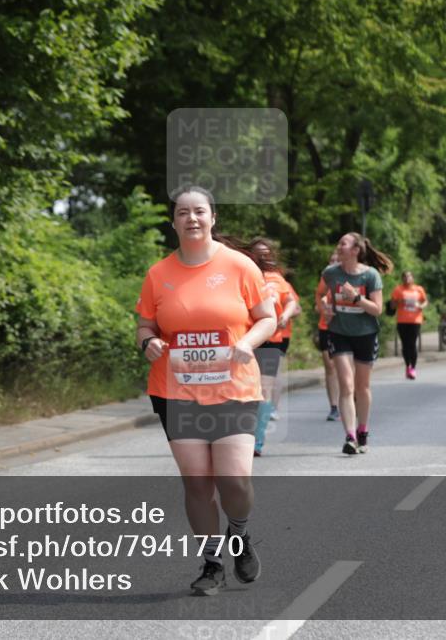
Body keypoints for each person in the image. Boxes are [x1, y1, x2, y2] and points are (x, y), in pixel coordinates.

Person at [135, 186, 276, 595]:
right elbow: (144, 325)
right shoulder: (158, 274)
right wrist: (149, 342)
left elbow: (266, 318)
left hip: (233, 387)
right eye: (183, 212)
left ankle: (240, 534)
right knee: (197, 484)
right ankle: (212, 564)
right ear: (173, 221)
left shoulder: (239, 266)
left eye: (199, 211)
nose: (191, 218)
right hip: (177, 391)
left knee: (234, 481)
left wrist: (246, 343)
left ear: (213, 217)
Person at [321, 233, 393, 455]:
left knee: (362, 387)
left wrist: (356, 298)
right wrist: (325, 308)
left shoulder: (370, 275)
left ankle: (362, 431)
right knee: (346, 384)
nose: (338, 246)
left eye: (343, 243)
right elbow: (322, 296)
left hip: (365, 334)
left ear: (355, 250)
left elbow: (377, 309)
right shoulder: (330, 273)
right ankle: (350, 436)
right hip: (339, 333)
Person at [247, 238, 299, 455]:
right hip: (246, 339)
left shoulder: (277, 278)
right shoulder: (242, 274)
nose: (262, 257)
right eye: (258, 253)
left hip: (272, 340)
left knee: (264, 389)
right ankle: (242, 435)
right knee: (246, 389)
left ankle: (257, 441)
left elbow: (291, 301)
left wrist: (285, 315)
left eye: (266, 253)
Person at [315, 251, 340, 421]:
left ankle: (350, 397)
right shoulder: (325, 280)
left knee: (345, 367)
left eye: (336, 260)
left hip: (345, 329)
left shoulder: (349, 278)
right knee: (330, 367)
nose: (333, 262)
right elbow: (317, 306)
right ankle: (334, 407)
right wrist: (323, 306)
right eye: (331, 260)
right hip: (325, 327)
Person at [390, 271, 428, 379]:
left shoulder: (419, 289)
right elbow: (392, 306)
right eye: (405, 277)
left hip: (415, 320)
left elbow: (425, 302)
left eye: (409, 277)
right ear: (402, 278)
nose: (407, 279)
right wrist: (399, 301)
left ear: (412, 278)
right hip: (402, 320)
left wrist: (421, 306)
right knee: (405, 345)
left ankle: (413, 368)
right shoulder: (398, 290)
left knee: (412, 344)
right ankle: (408, 365)